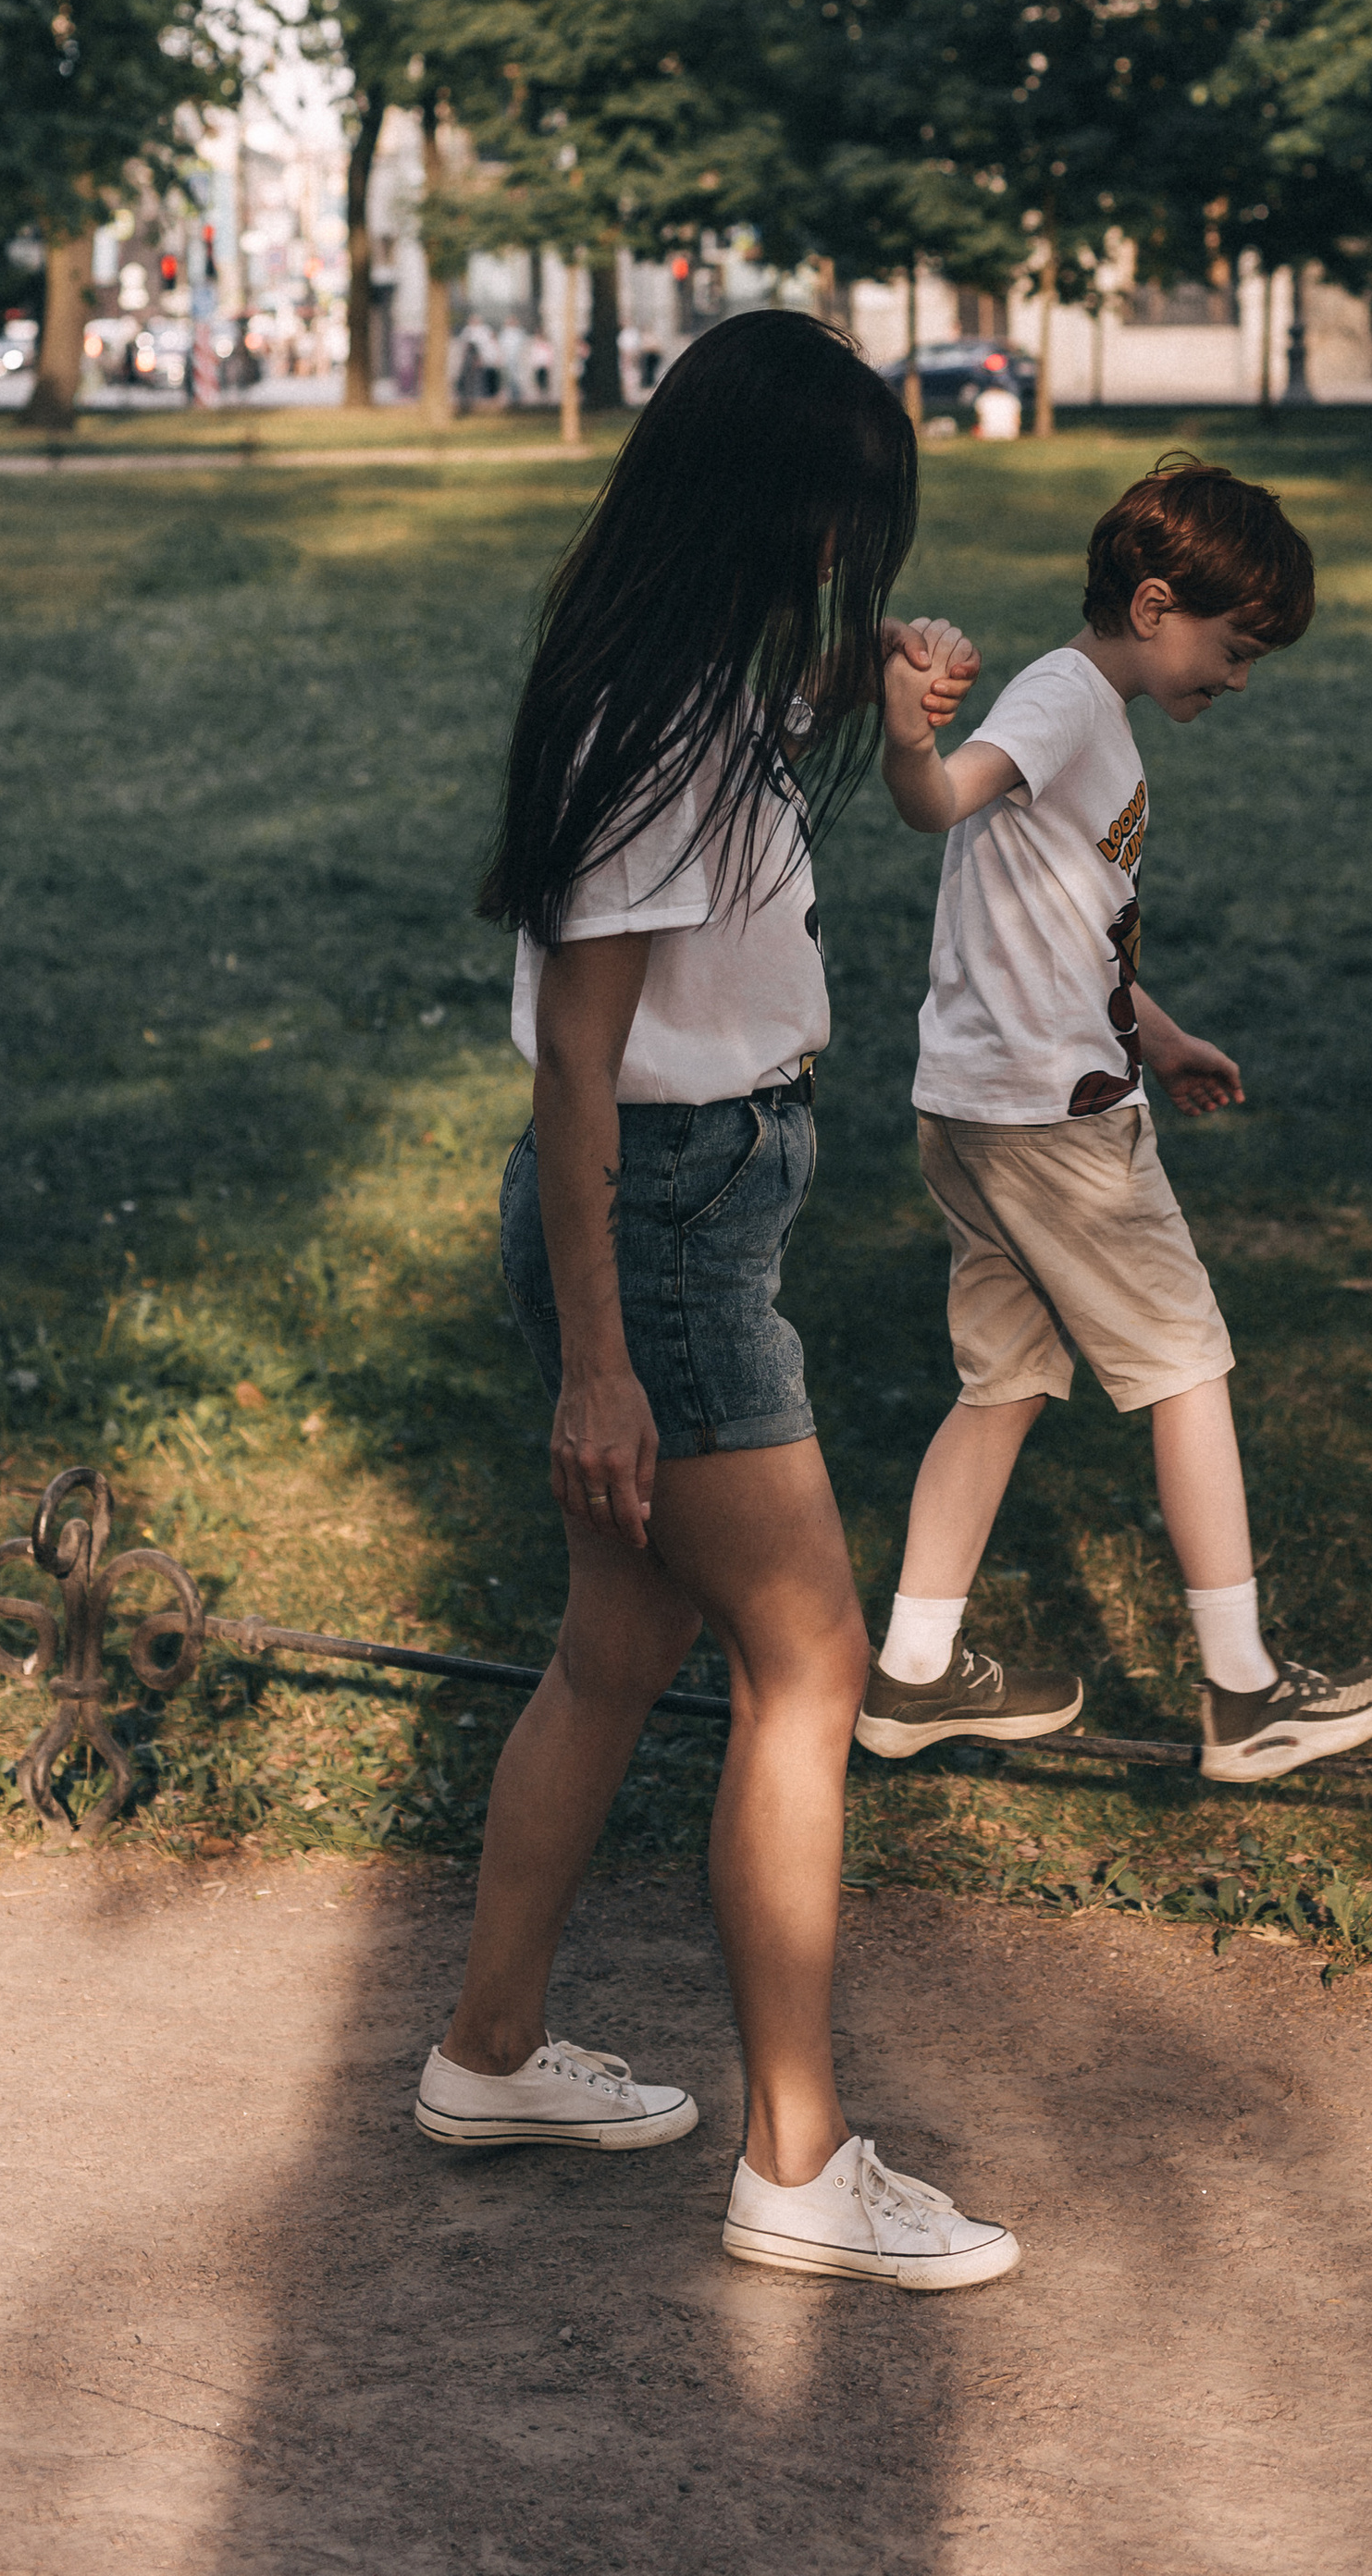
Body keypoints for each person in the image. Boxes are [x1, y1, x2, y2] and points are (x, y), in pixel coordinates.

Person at [414, 309, 1020, 2294]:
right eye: (841, 527)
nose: (852, 559)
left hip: (694, 1203)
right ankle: (797, 2163)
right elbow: (577, 1068)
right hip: (658, 1226)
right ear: (770, 506)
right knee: (811, 1665)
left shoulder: (676, 674)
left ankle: (490, 2055)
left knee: (621, 1646)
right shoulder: (662, 726)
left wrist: (859, 673)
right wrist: (600, 1363)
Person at [857, 455, 1372, 1782]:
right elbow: (936, 804)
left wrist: (1162, 1035)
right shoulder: (1063, 697)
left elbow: (1067, 923)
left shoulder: (1089, 715)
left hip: (979, 1109)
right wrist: (911, 736)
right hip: (1057, 1127)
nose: (1242, 677)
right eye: (1236, 646)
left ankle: (912, 1677)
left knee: (1005, 1384)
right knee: (1186, 1365)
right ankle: (1245, 1695)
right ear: (1155, 605)